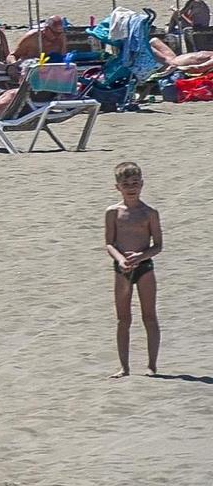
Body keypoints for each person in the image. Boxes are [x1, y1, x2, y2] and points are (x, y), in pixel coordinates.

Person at [104, 161, 162, 377]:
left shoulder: (149, 213)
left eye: (135, 183)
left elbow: (158, 245)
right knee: (123, 319)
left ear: (142, 184)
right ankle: (124, 367)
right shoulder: (112, 212)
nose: (131, 187)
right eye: (126, 184)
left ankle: (152, 365)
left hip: (144, 267)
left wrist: (141, 256)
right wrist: (120, 259)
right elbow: (109, 242)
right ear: (118, 187)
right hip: (122, 269)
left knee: (149, 316)